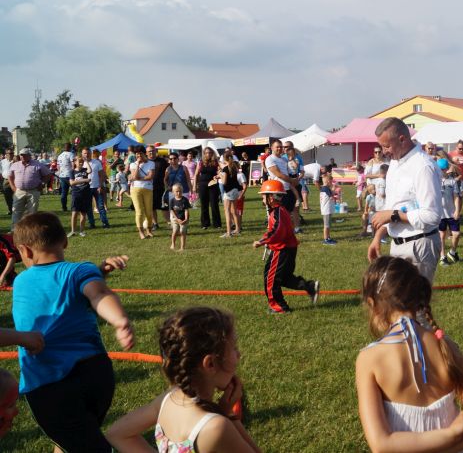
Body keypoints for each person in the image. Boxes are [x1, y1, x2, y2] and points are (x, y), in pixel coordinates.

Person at [12, 212, 133, 452]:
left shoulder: (20, 281)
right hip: (96, 374)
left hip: (48, 383)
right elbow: (97, 293)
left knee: (83, 443)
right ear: (65, 241)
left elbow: (60, 287)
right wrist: (119, 320)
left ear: (25, 251)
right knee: (76, 437)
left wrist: (98, 274)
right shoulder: (81, 271)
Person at [356, 256, 463, 452]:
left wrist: (449, 436)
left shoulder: (369, 359)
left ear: (372, 303)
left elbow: (381, 445)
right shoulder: (445, 345)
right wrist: (450, 440)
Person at [105, 307, 261, 453]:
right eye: (234, 348)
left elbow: (117, 434)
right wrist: (228, 415)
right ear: (210, 364)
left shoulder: (167, 399)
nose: (239, 354)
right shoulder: (215, 427)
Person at [368, 117, 442, 284]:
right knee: (394, 297)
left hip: (419, 245)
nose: (384, 152)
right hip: (398, 244)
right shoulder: (395, 163)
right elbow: (393, 205)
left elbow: (432, 216)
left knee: (414, 299)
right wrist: (378, 236)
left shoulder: (423, 167)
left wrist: (393, 215)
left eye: (387, 146)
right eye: (381, 146)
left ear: (402, 139)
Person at [252, 180, 319, 313]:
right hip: (288, 249)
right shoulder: (280, 211)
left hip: (281, 250)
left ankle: (279, 307)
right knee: (284, 278)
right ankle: (310, 287)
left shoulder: (278, 212)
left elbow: (277, 230)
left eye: (263, 195)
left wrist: (262, 241)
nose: (262, 198)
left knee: (270, 279)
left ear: (271, 197)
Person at [8, 149, 52, 227]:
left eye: (24, 155)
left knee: (32, 212)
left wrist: (42, 183)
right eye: (21, 155)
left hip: (33, 191)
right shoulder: (15, 165)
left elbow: (48, 174)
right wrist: (13, 187)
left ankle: (30, 229)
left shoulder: (38, 164)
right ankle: (14, 230)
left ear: (29, 156)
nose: (22, 156)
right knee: (16, 211)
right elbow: (10, 176)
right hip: (19, 191)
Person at [436, 156, 461, 265]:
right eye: (440, 169)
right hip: (440, 214)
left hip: (451, 213)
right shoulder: (434, 181)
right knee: (441, 235)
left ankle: (452, 252)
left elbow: (456, 197)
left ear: (447, 169)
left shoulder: (452, 181)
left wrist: (457, 211)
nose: (442, 171)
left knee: (456, 234)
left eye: (444, 169)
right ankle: (442, 257)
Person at [129, 146, 156, 240]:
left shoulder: (151, 163)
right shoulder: (133, 164)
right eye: (137, 154)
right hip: (135, 190)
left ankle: (149, 230)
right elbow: (134, 176)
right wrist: (138, 165)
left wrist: (139, 178)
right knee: (139, 212)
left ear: (145, 154)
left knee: (149, 212)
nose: (139, 156)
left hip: (148, 189)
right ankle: (141, 232)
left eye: (140, 153)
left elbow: (150, 176)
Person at [195, 147, 223, 230]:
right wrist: (194, 186)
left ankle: (217, 224)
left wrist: (218, 175)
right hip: (202, 185)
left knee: (214, 204)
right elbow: (196, 174)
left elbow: (221, 171)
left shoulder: (216, 162)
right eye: (206, 153)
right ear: (204, 154)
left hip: (213, 185)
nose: (208, 154)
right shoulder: (200, 162)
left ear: (212, 153)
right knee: (204, 205)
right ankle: (205, 224)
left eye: (210, 152)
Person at [84, 148, 110, 228]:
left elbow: (101, 175)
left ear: (91, 153)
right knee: (88, 207)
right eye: (85, 153)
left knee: (101, 206)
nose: (86, 155)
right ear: (82, 154)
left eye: (88, 153)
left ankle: (105, 223)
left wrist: (100, 185)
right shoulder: (82, 163)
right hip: (86, 188)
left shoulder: (97, 162)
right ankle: (91, 224)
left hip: (97, 187)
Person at [219, 153, 243, 238]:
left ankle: (228, 232)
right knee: (234, 211)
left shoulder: (225, 168)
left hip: (229, 191)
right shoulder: (234, 167)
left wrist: (220, 175)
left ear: (224, 159)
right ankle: (237, 230)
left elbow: (224, 182)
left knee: (227, 212)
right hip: (236, 190)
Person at [68, 156, 91, 238]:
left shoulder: (85, 170)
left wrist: (86, 161)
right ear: (75, 162)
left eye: (82, 162)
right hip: (76, 194)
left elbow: (90, 170)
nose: (81, 163)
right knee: (74, 213)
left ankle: (82, 231)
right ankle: (73, 231)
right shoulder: (72, 171)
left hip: (85, 194)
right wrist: (84, 180)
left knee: (83, 213)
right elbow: (72, 183)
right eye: (79, 161)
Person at [448, 140, 463, 216]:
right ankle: (451, 212)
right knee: (452, 195)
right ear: (456, 147)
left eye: (462, 148)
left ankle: (458, 213)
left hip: (462, 178)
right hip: (452, 177)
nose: (461, 150)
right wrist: (453, 161)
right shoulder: (450, 154)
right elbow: (447, 164)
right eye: (460, 148)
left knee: (460, 196)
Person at [169, 184, 191, 251]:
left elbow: (186, 210)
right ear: (173, 192)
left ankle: (182, 247)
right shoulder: (172, 200)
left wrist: (186, 219)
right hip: (175, 218)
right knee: (175, 231)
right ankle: (173, 244)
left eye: (180, 191)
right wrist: (176, 219)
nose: (178, 193)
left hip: (184, 219)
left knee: (182, 232)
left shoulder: (185, 200)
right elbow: (172, 211)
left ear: (182, 191)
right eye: (177, 191)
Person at [55, 143, 74, 211]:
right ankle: (73, 207)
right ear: (70, 148)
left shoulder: (59, 155)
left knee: (64, 192)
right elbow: (73, 165)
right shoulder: (71, 154)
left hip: (62, 176)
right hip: (70, 175)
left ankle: (64, 207)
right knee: (74, 191)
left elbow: (58, 167)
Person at [320, 174, 337, 245]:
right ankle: (326, 239)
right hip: (326, 210)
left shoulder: (325, 188)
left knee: (328, 225)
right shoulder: (326, 189)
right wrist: (336, 196)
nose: (332, 183)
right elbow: (331, 196)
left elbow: (331, 193)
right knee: (326, 225)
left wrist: (333, 188)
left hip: (327, 209)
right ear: (328, 181)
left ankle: (328, 237)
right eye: (331, 181)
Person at [1, 149, 14, 215]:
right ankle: (11, 209)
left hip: (15, 180)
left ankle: (18, 209)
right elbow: (1, 171)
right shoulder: (2, 162)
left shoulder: (17, 161)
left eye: (11, 153)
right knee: (7, 197)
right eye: (8, 153)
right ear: (6, 154)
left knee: (18, 196)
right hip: (5, 180)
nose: (10, 155)